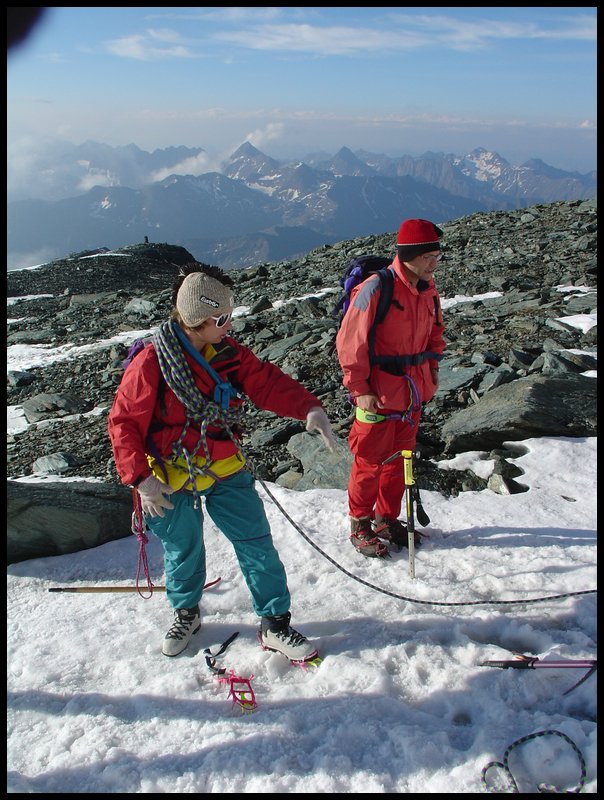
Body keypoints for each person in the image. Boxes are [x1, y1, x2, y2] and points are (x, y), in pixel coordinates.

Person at [108, 263, 336, 659]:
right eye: (222, 318)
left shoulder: (227, 353)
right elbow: (124, 422)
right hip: (166, 476)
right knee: (182, 547)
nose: (230, 325)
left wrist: (307, 408)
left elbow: (264, 382)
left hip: (224, 465)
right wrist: (141, 479)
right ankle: (186, 611)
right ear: (197, 319)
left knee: (256, 544)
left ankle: (275, 623)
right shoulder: (151, 363)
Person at [335, 219, 446, 558]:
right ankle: (360, 523)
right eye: (428, 256)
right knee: (369, 461)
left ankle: (387, 518)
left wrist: (432, 370)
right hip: (377, 393)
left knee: (401, 460)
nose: (434, 262)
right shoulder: (376, 288)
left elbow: (435, 335)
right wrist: (359, 387)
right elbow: (349, 342)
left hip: (411, 393)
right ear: (409, 254)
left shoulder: (428, 289)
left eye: (436, 255)